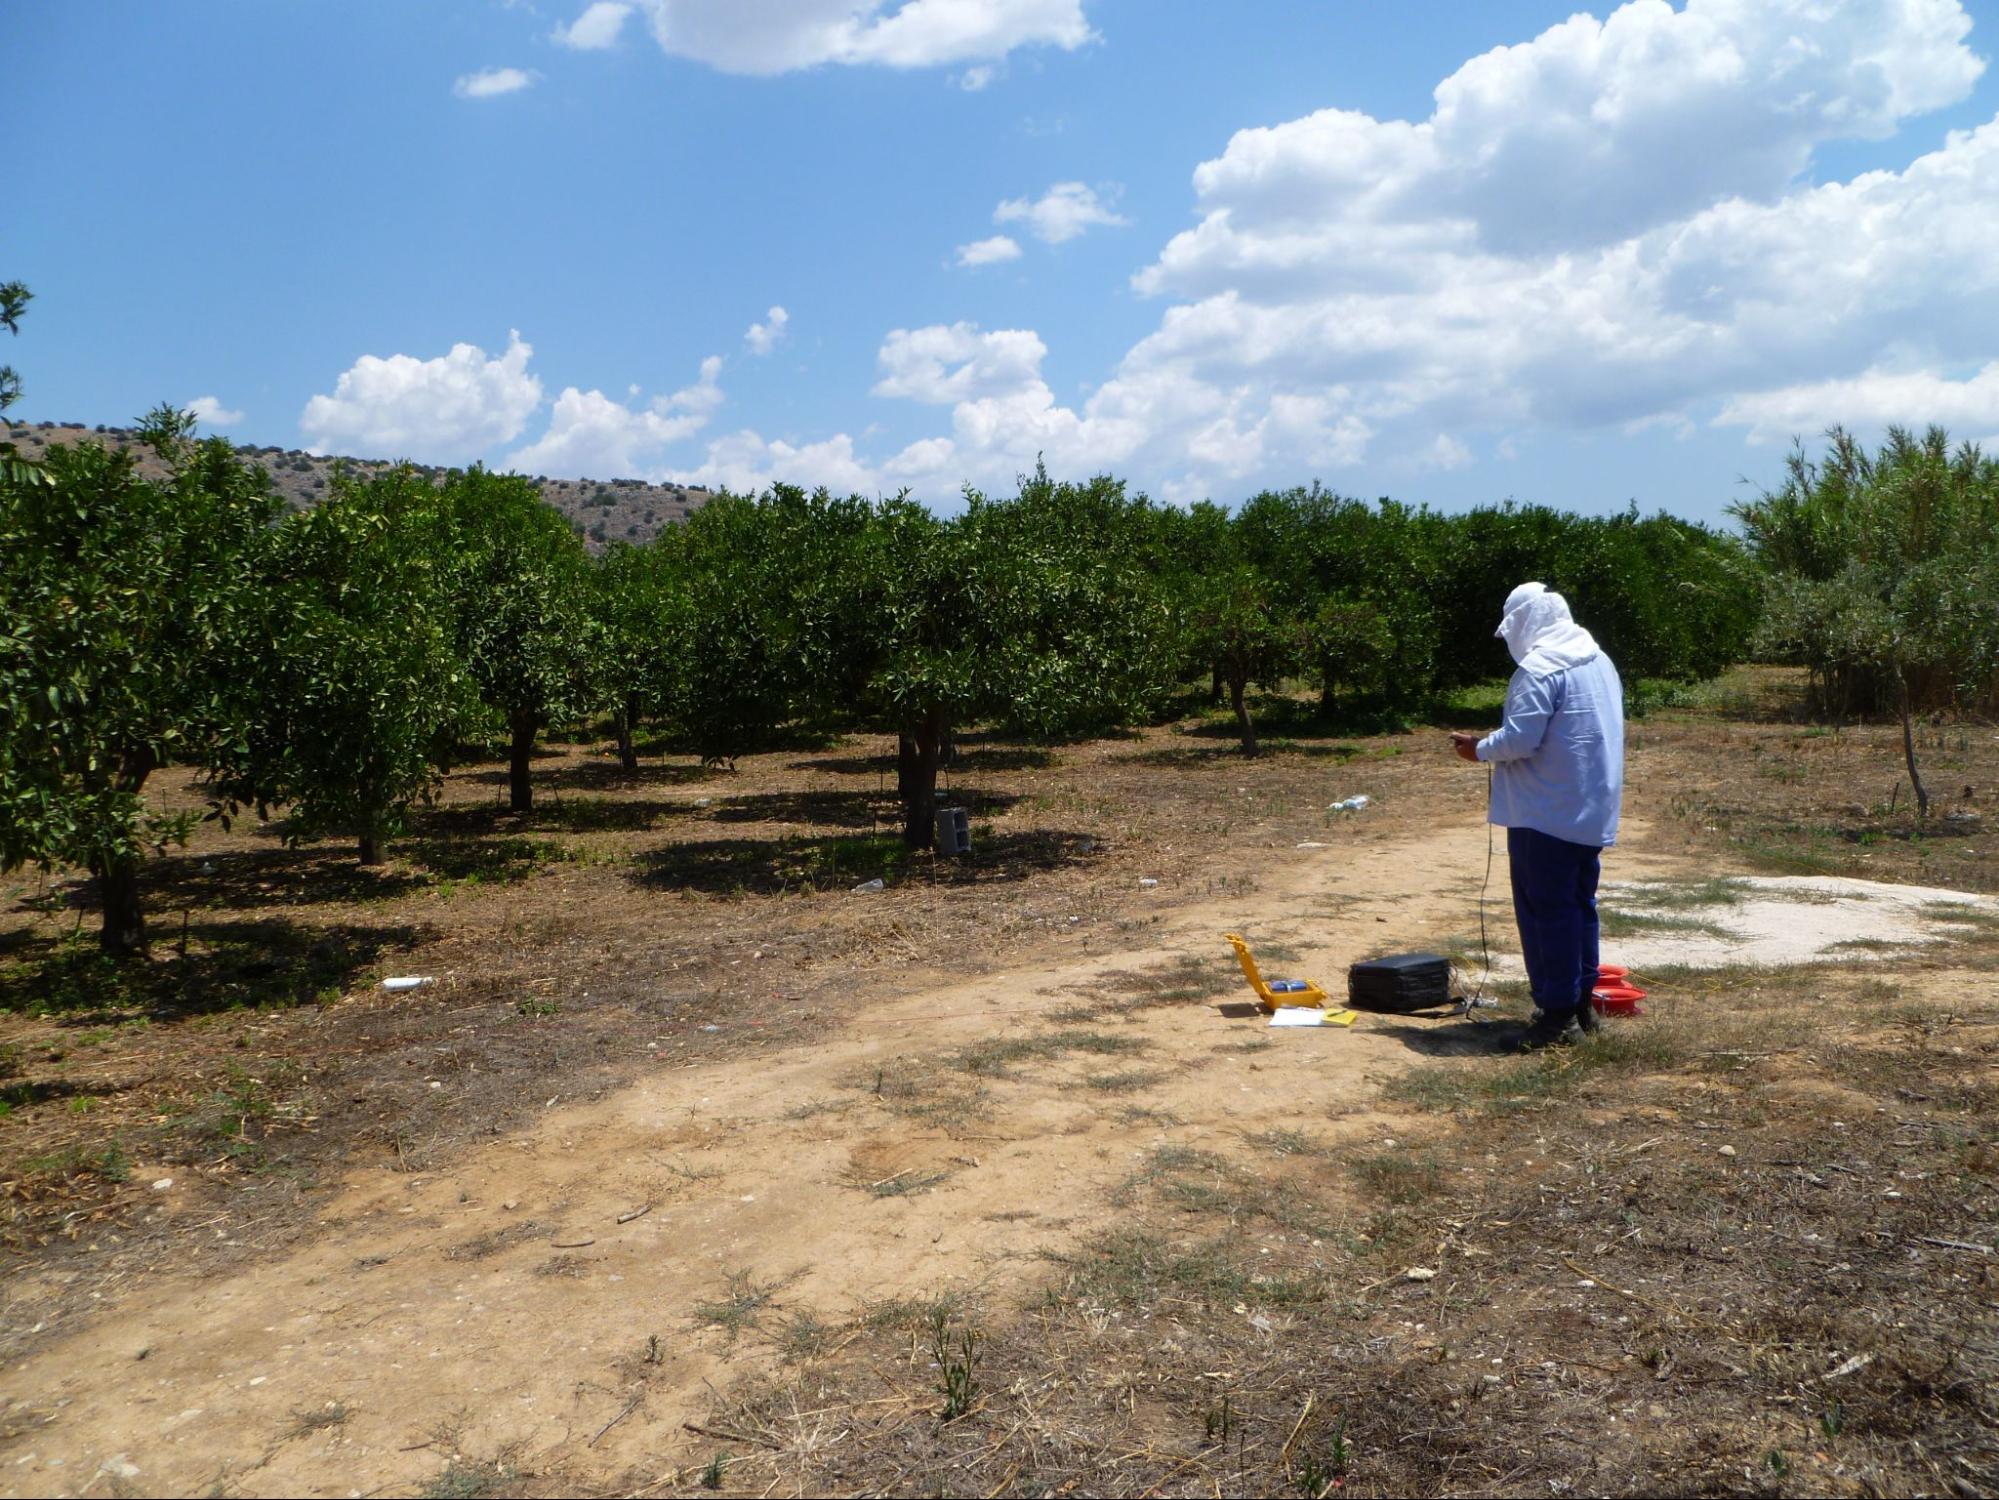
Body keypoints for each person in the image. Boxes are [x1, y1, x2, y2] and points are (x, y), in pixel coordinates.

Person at [1449, 582, 1624, 1051]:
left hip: (1545, 813)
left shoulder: (1540, 668)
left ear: (1525, 622)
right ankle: (1581, 1006)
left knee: (1546, 913)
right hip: (1589, 809)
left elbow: (1521, 739)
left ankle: (1556, 1017)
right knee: (1579, 908)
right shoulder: (1597, 659)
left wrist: (1478, 749)